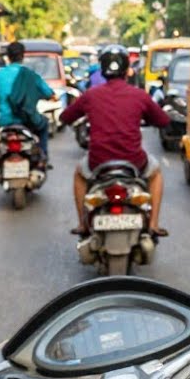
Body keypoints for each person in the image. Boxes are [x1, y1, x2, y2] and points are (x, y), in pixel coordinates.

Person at [59, 45, 170, 237]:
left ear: (102, 69)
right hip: (135, 161)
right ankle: (153, 224)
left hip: (97, 162)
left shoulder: (91, 95)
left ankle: (83, 224)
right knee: (156, 172)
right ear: (127, 69)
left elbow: (65, 117)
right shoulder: (139, 95)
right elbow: (163, 120)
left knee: (79, 174)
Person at [0, 41, 54, 163]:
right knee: (44, 124)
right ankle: (43, 159)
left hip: (5, 121)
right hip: (28, 120)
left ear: (8, 56)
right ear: (23, 56)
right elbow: (48, 93)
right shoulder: (31, 75)